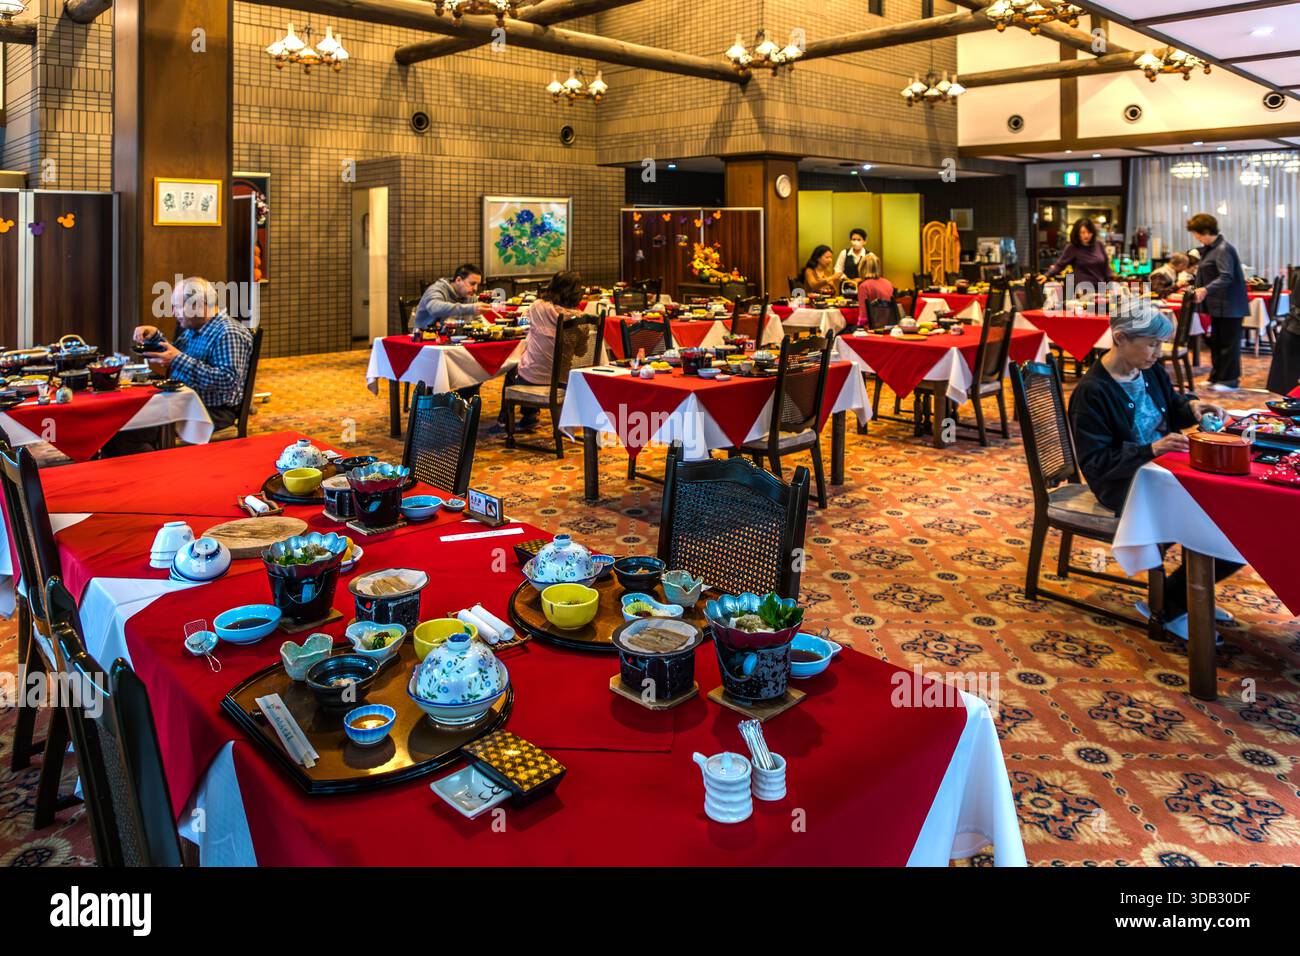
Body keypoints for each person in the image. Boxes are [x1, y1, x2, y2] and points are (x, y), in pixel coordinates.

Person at [1068, 298, 1237, 641]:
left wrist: (1194, 408)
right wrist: (1151, 449)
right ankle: (1172, 604)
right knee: (1227, 521)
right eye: (1152, 344)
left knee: (1237, 510)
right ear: (1120, 338)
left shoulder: (1148, 370)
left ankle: (1191, 594)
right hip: (1126, 485)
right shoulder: (1092, 391)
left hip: (1163, 473)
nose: (1159, 353)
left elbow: (1172, 407)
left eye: (1161, 344)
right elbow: (1097, 463)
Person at [134, 277, 253, 433]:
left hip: (212, 411)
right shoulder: (196, 327)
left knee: (133, 431)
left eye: (177, 307)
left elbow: (227, 382)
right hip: (186, 403)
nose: (173, 312)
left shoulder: (229, 333)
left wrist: (178, 359)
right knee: (126, 419)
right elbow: (176, 353)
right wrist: (155, 337)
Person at [488, 270, 584, 436]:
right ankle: (530, 417)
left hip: (533, 377)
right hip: (564, 381)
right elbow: (581, 352)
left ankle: (506, 420)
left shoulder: (538, 307)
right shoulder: (580, 319)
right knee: (528, 366)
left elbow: (524, 323)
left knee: (514, 369)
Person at [1187, 213, 1249, 392]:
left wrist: (1205, 289)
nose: (1196, 237)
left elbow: (1226, 276)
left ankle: (1229, 381)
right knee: (1217, 342)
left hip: (1230, 305)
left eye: (1197, 234)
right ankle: (1216, 377)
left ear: (1206, 231)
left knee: (1229, 344)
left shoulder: (1223, 249)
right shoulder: (1211, 249)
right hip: (1219, 306)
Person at [1038, 217, 1114, 296]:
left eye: (1089, 232)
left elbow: (1106, 267)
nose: (1086, 235)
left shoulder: (1099, 244)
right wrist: (1046, 275)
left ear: (1093, 233)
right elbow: (1060, 265)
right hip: (1082, 291)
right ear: (1077, 233)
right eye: (1083, 232)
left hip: (1101, 288)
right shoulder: (1072, 247)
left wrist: (1110, 285)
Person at [412, 263, 494, 332]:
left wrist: (490, 328)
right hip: (426, 339)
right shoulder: (437, 289)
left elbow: (477, 320)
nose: (475, 289)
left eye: (477, 285)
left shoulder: (470, 295)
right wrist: (471, 308)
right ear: (458, 280)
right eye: (472, 284)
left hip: (458, 340)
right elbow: (435, 309)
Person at [854, 253, 894, 323]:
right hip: (889, 325)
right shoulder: (888, 283)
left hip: (872, 326)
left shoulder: (864, 286)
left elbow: (863, 317)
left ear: (862, 268)